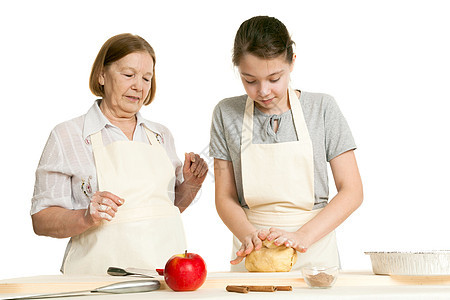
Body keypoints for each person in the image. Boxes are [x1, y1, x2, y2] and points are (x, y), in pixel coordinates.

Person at [31, 33, 208, 275]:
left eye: (147, 78)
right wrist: (86, 217)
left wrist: (191, 184)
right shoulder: (68, 136)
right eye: (128, 75)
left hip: (164, 278)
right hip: (95, 279)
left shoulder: (161, 135)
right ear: (101, 75)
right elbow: (41, 220)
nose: (139, 86)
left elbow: (166, 209)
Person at [210, 16, 363, 271]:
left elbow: (352, 190)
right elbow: (224, 196)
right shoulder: (226, 113)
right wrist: (248, 234)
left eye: (274, 78)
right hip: (254, 252)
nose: (263, 91)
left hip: (314, 252)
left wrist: (302, 237)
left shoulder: (322, 109)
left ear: (292, 62)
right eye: (250, 80)